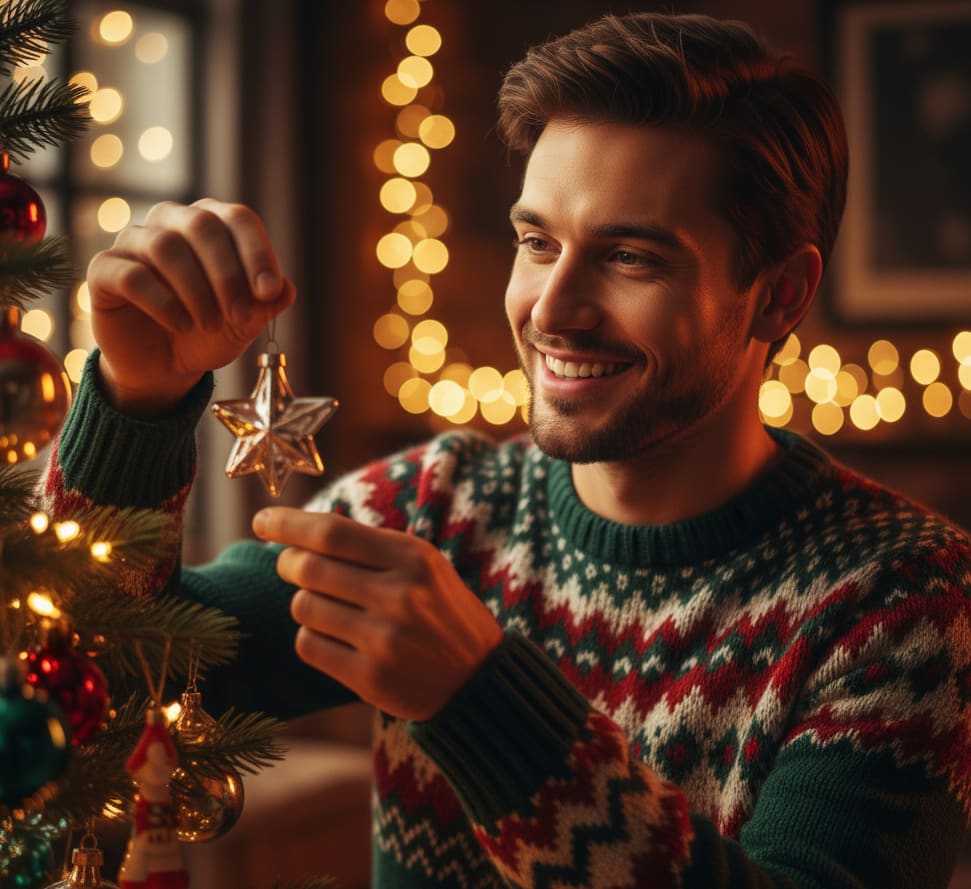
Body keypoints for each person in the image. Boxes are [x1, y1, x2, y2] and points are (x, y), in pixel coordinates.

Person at [40, 11, 971, 889]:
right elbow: (85, 693)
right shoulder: (424, 511)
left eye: (630, 257)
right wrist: (135, 399)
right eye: (537, 241)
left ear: (779, 294)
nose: (550, 311)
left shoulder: (904, 600)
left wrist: (479, 699)